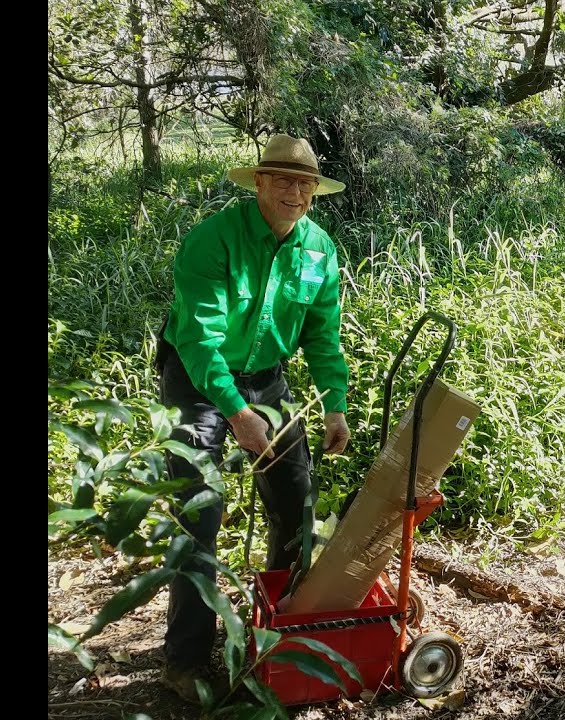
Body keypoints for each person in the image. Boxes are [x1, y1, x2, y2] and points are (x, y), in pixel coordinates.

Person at [155, 133, 351, 702]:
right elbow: (198, 339)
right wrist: (237, 414)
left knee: (295, 498)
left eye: (306, 184)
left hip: (267, 377)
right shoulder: (212, 240)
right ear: (258, 183)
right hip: (198, 379)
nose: (295, 192)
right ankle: (185, 660)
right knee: (200, 512)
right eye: (284, 181)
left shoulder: (318, 249)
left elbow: (322, 334)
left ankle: (280, 636)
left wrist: (334, 403)